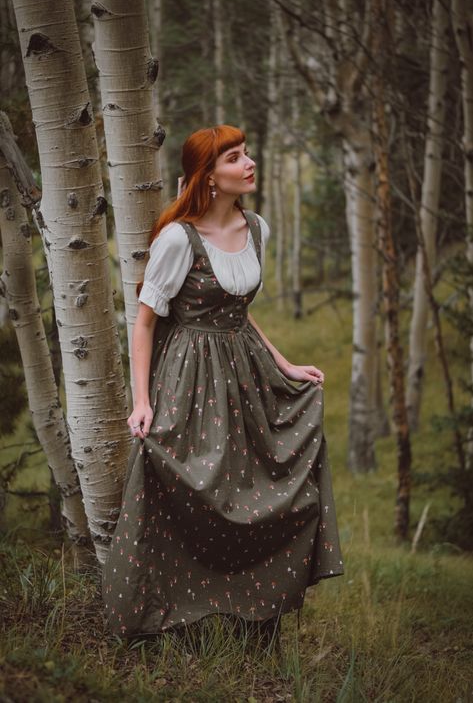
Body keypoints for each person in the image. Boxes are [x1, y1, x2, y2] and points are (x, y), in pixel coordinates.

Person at [102, 124, 344, 648]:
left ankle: (256, 617)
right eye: (235, 157)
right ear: (209, 176)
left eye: (247, 152)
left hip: (247, 370)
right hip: (189, 373)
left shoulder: (256, 227)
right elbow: (145, 321)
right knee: (193, 487)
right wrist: (142, 401)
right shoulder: (178, 238)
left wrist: (287, 364)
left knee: (259, 487)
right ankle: (173, 619)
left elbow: (240, 313)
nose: (249, 162)